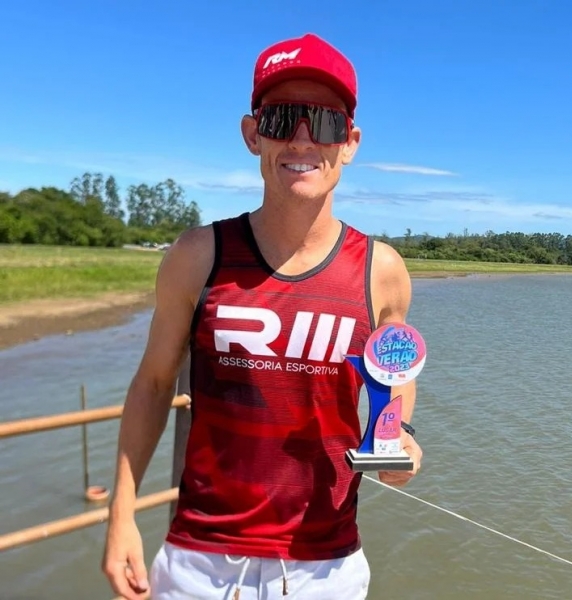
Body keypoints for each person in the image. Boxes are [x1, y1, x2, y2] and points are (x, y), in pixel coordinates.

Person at [102, 32, 423, 600]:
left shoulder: (383, 271)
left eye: (322, 122)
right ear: (253, 135)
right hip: (199, 560)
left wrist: (400, 443)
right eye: (282, 119)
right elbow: (153, 385)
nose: (302, 140)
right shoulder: (198, 255)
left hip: (327, 566)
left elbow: (394, 378)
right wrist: (121, 516)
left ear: (349, 142)